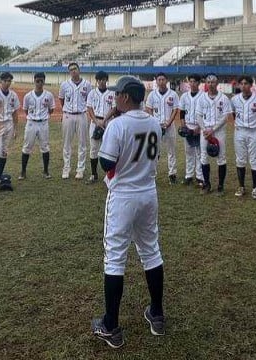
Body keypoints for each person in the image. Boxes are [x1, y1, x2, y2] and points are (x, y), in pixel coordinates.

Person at [91, 76, 165, 349]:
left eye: (117, 94)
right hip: (148, 192)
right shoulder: (154, 121)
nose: (114, 97)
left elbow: (107, 162)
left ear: (125, 97)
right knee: (150, 251)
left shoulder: (119, 124)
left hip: (124, 195)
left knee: (115, 258)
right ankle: (156, 313)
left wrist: (104, 135)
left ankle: (110, 325)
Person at [195, 74, 233, 195]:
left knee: (221, 157)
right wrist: (205, 129)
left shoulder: (224, 98)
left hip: (219, 131)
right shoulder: (202, 98)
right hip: (205, 131)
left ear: (217, 83)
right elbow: (198, 116)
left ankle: (220, 186)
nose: (211, 84)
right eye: (208, 82)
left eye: (213, 82)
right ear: (205, 83)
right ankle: (206, 184)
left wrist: (213, 129)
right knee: (204, 157)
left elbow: (226, 117)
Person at [231, 76, 256, 199]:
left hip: (253, 131)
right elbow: (234, 114)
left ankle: (255, 188)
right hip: (239, 131)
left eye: (246, 83)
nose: (243, 86)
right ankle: (241, 186)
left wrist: (254, 126)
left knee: (254, 160)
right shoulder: (234, 99)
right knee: (240, 159)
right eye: (241, 84)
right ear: (239, 85)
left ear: (251, 85)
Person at [145, 72, 180, 184]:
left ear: (166, 80)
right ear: (156, 81)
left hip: (169, 126)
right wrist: (154, 121)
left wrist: (169, 123)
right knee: (154, 151)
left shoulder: (173, 94)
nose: (161, 81)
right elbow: (148, 108)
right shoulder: (152, 95)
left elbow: (175, 110)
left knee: (171, 151)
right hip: (156, 127)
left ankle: (172, 174)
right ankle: (152, 174)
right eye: (159, 79)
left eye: (163, 79)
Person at [59, 62, 92, 180]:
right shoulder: (64, 85)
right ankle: (66, 168)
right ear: (69, 72)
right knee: (67, 143)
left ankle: (80, 169)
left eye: (75, 68)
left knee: (82, 143)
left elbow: (89, 100)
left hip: (82, 115)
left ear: (79, 70)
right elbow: (61, 99)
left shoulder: (87, 84)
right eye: (71, 69)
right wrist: (65, 111)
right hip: (68, 115)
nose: (73, 71)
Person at [20, 72, 54, 180]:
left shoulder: (48, 95)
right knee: (27, 147)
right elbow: (25, 110)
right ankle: (23, 171)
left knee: (45, 147)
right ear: (34, 81)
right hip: (31, 123)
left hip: (43, 123)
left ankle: (46, 171)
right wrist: (32, 117)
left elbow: (51, 109)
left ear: (44, 81)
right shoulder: (28, 96)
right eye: (37, 81)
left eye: (41, 81)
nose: (39, 83)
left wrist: (44, 116)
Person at [85, 71, 116, 184]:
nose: (102, 81)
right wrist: (96, 121)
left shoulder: (112, 93)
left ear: (107, 80)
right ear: (96, 81)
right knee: (93, 149)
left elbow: (114, 108)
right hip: (95, 122)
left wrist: (104, 120)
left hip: (108, 122)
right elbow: (89, 108)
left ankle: (109, 176)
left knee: (109, 149)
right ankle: (94, 174)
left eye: (104, 79)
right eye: (99, 79)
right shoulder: (92, 93)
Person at [177, 74, 205, 187]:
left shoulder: (204, 96)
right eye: (191, 81)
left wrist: (200, 127)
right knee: (188, 152)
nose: (192, 84)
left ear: (199, 83)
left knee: (199, 153)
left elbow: (205, 113)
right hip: (188, 126)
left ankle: (200, 177)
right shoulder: (184, 96)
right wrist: (184, 126)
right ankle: (189, 176)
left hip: (199, 127)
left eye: (194, 81)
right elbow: (182, 112)